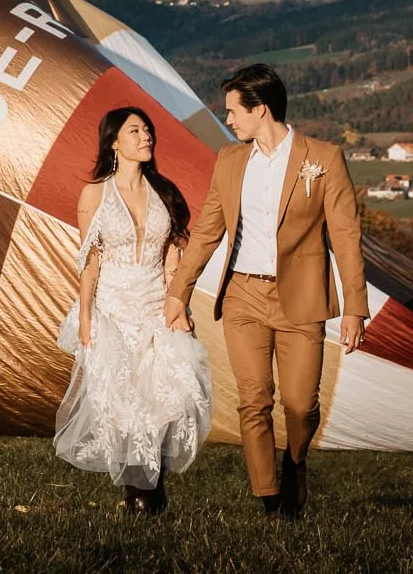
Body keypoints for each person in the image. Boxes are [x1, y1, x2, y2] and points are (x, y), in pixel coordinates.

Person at [164, 63, 368, 518]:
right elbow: (207, 232)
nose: (229, 120)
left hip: (301, 299)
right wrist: (179, 291)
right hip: (242, 297)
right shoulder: (230, 161)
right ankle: (268, 497)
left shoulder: (325, 158)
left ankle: (295, 463)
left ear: (261, 109)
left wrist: (356, 307)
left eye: (234, 111)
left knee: (300, 404)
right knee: (254, 398)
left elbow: (347, 235)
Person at [55, 106, 212, 516]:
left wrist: (180, 304)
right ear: (113, 142)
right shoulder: (95, 194)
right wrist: (86, 316)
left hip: (155, 307)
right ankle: (139, 496)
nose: (146, 137)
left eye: (148, 130)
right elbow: (89, 260)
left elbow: (172, 257)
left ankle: (152, 489)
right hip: (112, 309)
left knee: (165, 396)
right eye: (135, 130)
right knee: (123, 403)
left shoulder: (164, 192)